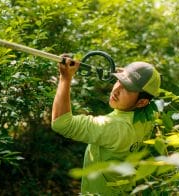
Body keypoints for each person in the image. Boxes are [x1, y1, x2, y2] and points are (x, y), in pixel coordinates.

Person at [51, 56, 161, 195]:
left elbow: (61, 123)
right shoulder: (150, 114)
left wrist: (65, 78)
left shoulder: (115, 128)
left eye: (127, 88)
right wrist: (125, 74)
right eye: (118, 81)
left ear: (142, 102)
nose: (116, 90)